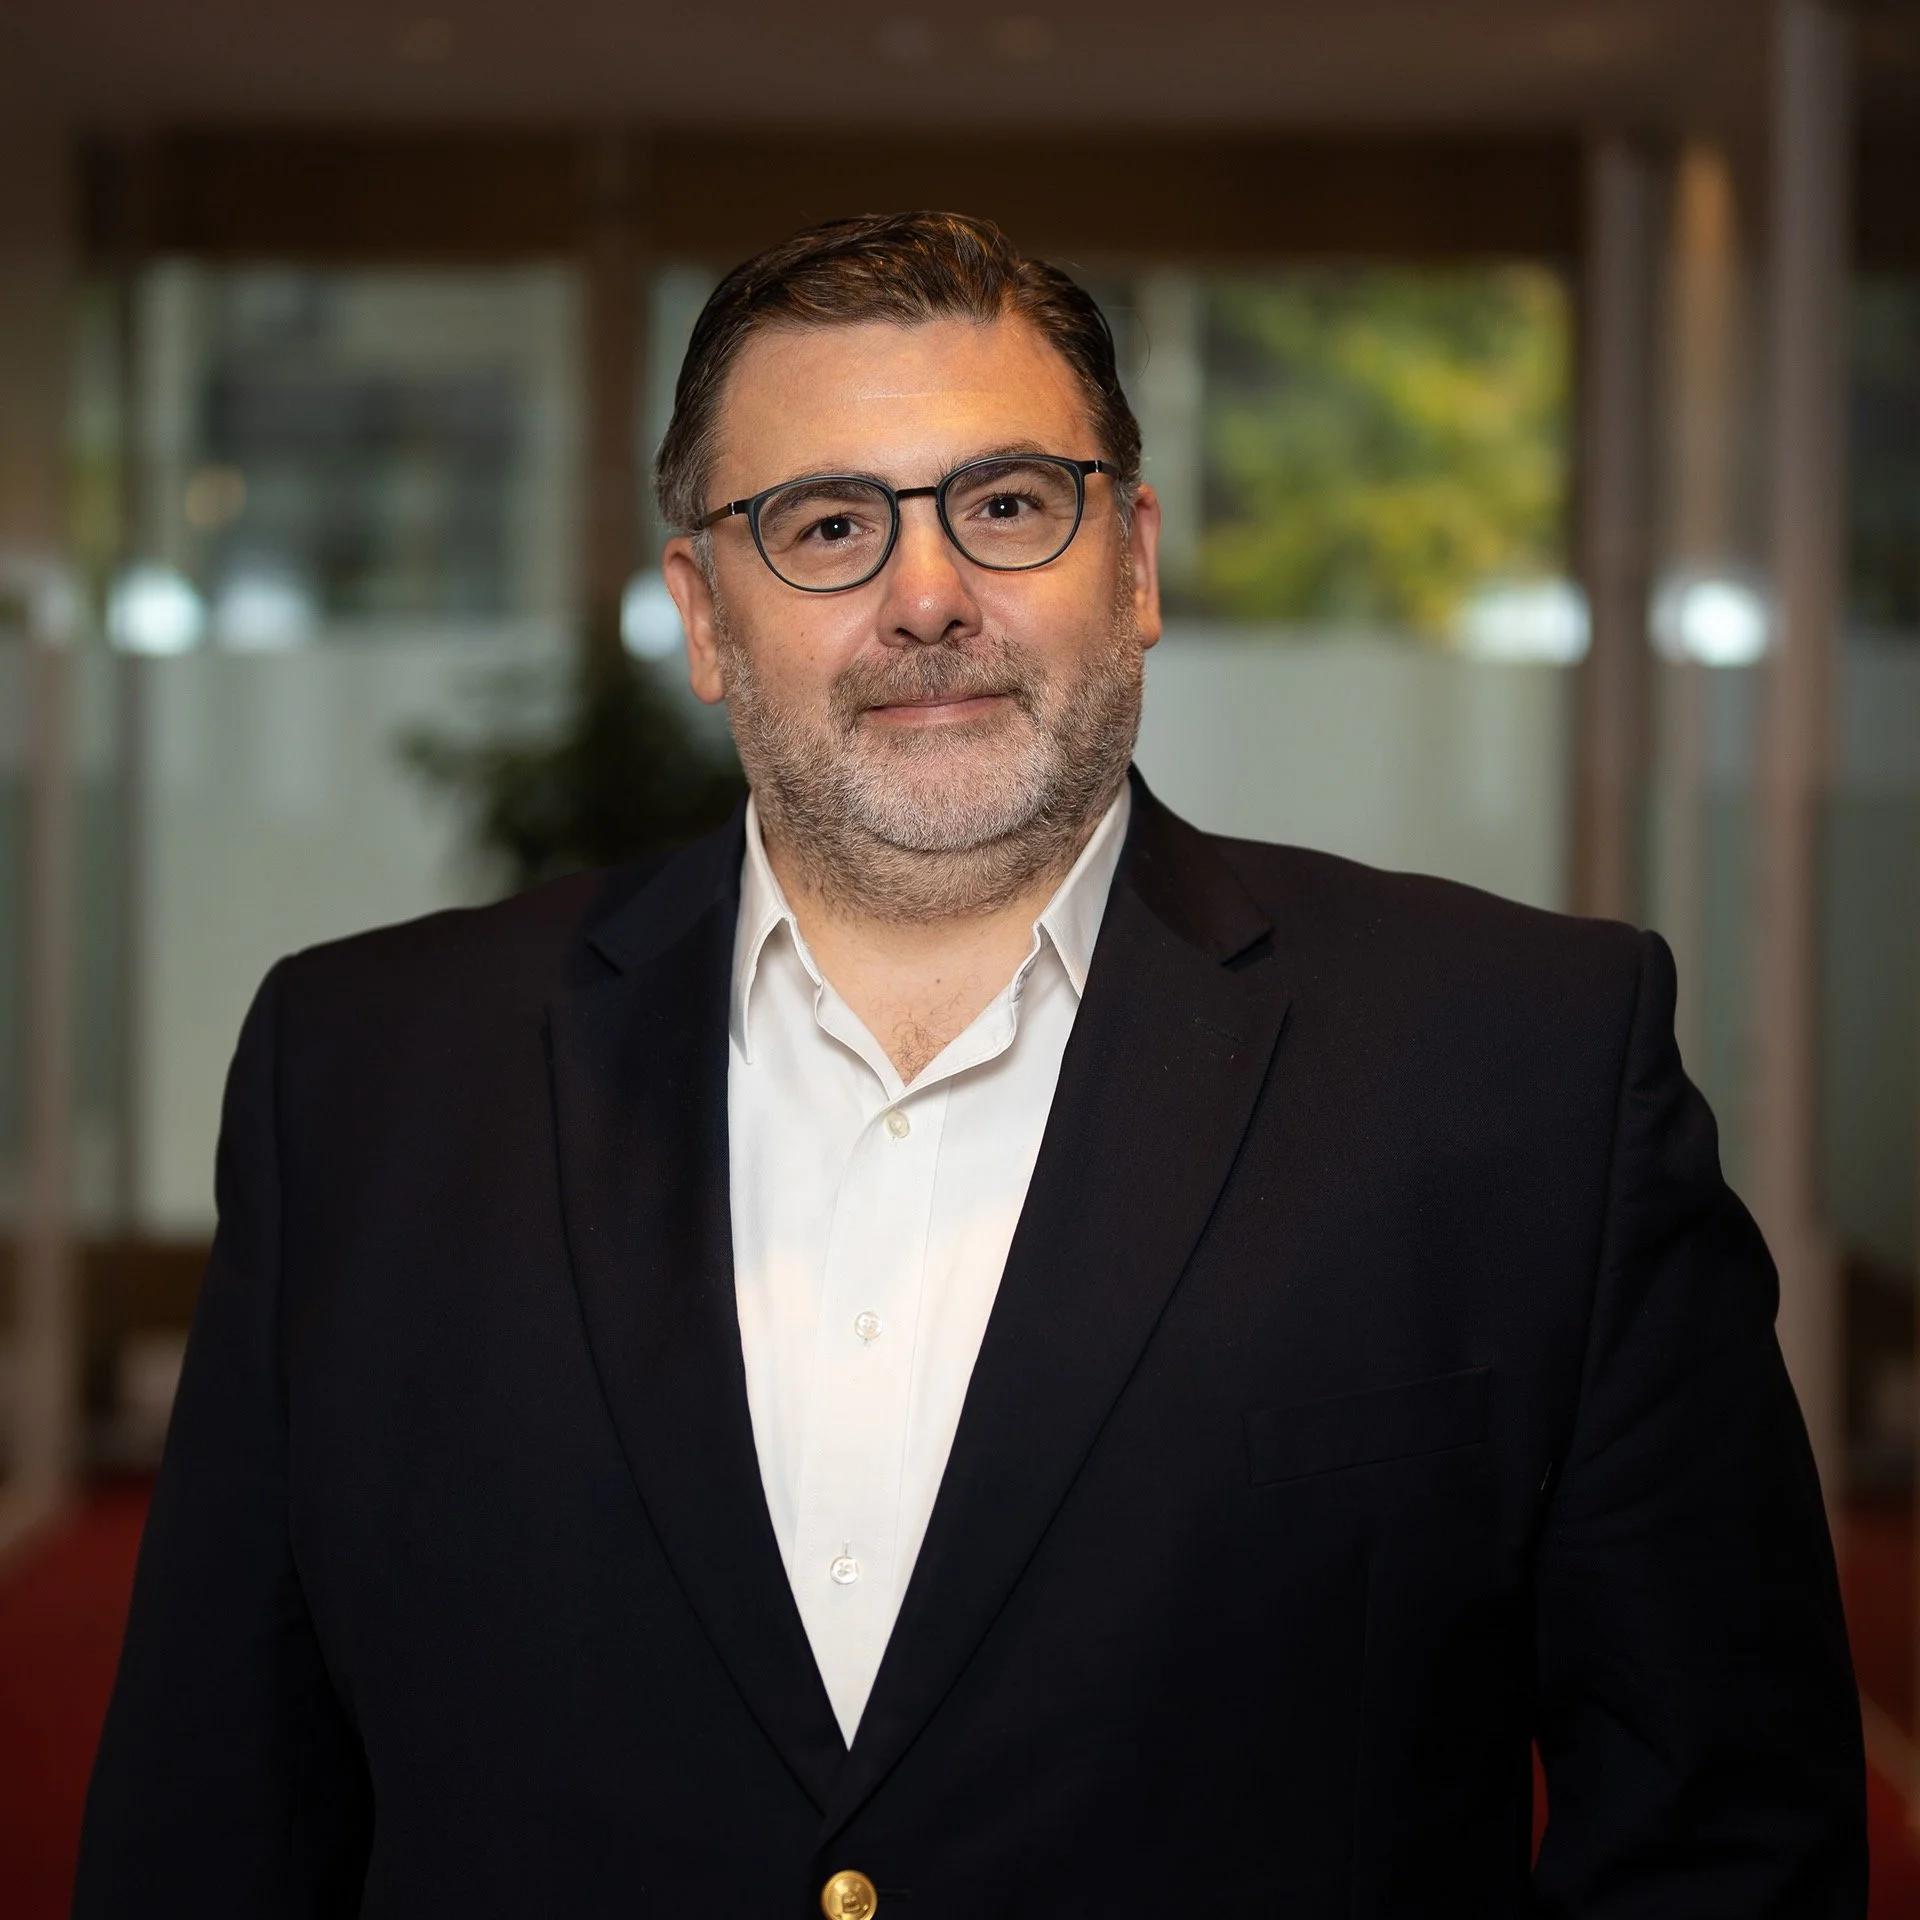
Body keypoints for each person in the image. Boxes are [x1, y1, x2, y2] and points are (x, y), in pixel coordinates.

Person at [77, 211, 1865, 1918]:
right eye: (828, 525)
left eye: (1008, 504)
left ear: (1138, 564)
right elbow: (216, 1822)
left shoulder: (1523, 1070)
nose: (929, 595)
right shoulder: (368, 1082)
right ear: (705, 617)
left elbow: (1725, 1831)